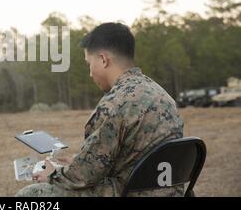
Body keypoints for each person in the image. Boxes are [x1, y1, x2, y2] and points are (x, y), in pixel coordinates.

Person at [15, 22, 184, 197]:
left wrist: (52, 175)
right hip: (170, 191)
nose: (90, 73)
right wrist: (76, 162)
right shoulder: (163, 95)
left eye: (89, 63)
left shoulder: (115, 103)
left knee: (32, 194)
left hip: (131, 192)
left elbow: (83, 177)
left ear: (103, 60)